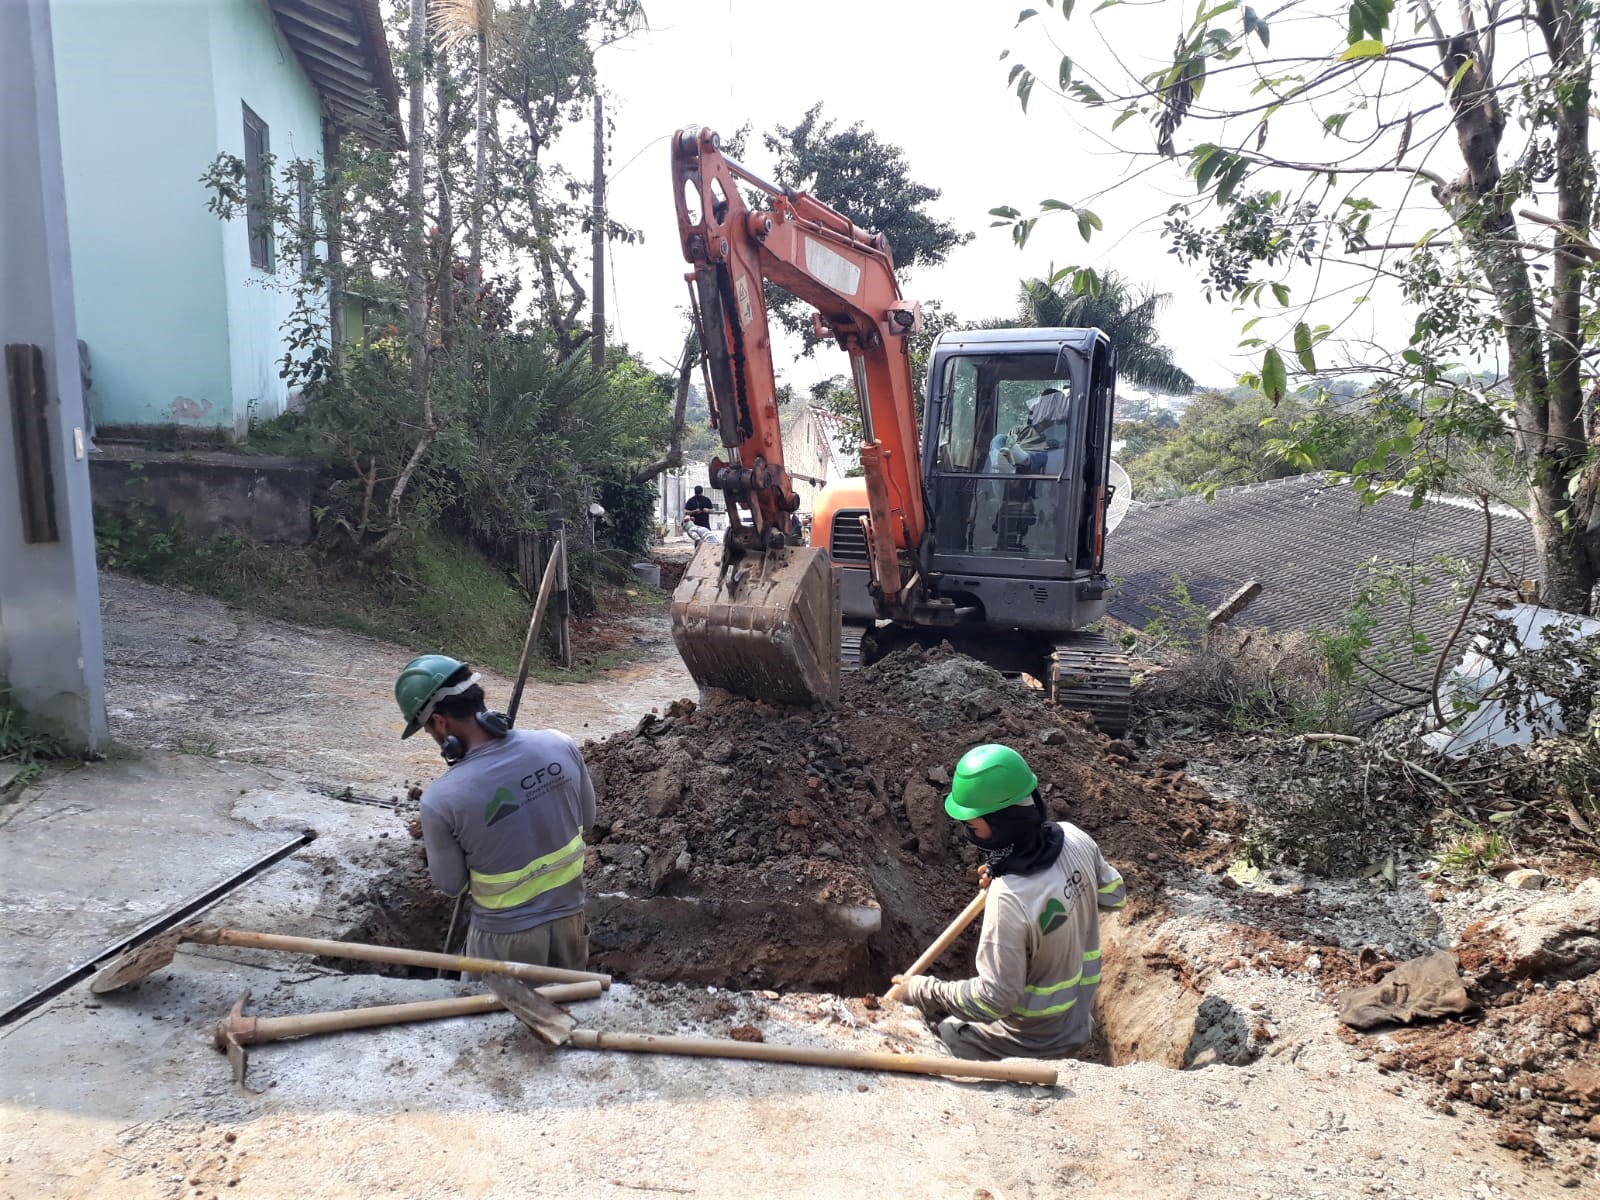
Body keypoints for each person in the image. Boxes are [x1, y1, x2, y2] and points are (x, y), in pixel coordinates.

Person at [897, 743, 1126, 1060]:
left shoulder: (1010, 898)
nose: (969, 832)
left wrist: (922, 990)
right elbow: (1115, 896)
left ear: (1002, 825)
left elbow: (995, 999)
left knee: (943, 1036)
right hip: (1076, 1021)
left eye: (973, 825)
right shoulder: (1075, 838)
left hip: (1031, 1039)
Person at [395, 654, 596, 970]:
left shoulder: (440, 800)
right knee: (567, 1011)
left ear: (439, 721)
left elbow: (451, 885)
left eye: (427, 729)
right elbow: (588, 819)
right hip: (571, 922)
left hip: (504, 942)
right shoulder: (560, 743)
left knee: (496, 1019)